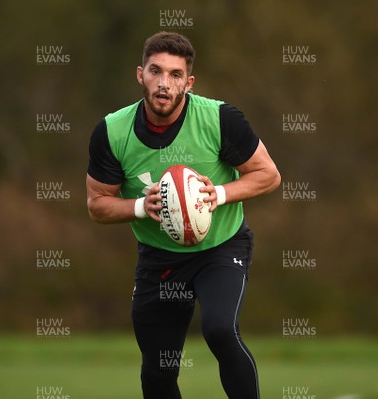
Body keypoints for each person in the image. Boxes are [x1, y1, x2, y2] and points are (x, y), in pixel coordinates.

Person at [86, 31, 280, 399]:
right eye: (156, 71)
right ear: (140, 74)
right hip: (159, 260)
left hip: (220, 249)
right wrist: (142, 206)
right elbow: (97, 204)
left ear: (188, 83)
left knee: (221, 330)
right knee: (158, 370)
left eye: (175, 75)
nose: (164, 83)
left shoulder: (219, 118)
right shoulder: (112, 132)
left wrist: (217, 194)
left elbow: (268, 174)